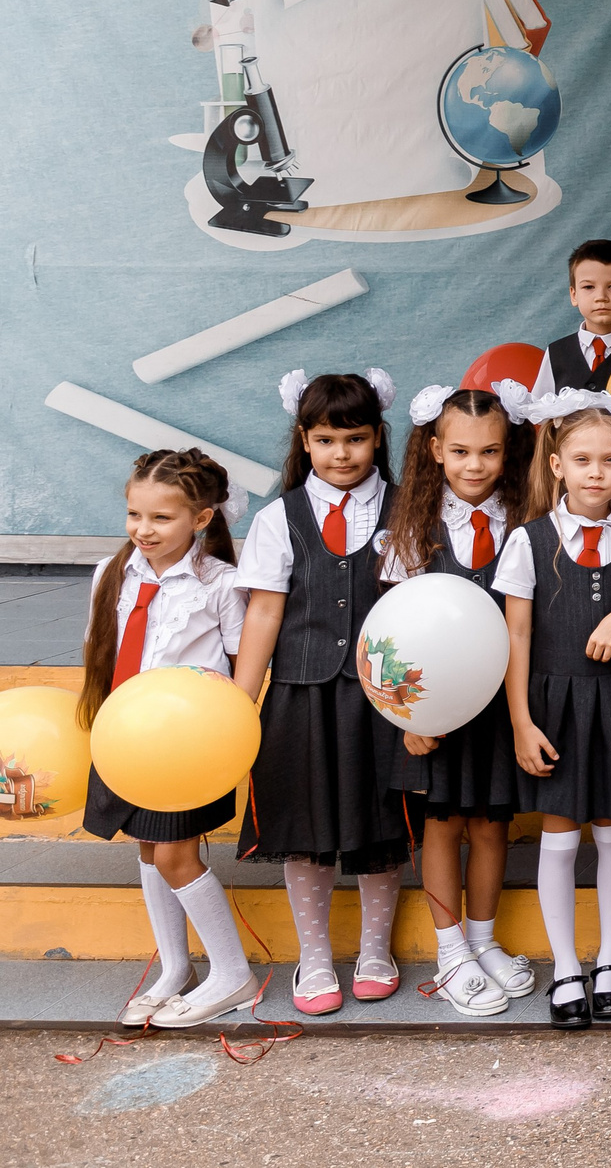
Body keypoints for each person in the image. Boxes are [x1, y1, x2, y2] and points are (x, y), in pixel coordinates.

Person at [231, 368, 412, 1016]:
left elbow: (417, 609)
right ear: (304, 440)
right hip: (301, 696)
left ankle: (374, 948)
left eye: (357, 439)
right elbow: (262, 614)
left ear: (378, 437)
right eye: (327, 439)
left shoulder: (403, 508)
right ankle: (313, 955)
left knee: (376, 825)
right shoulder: (279, 517)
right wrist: (237, 703)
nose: (342, 453)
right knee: (307, 827)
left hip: (381, 699)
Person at [78, 449, 255, 1031]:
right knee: (150, 851)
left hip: (186, 743)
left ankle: (232, 975)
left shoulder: (220, 583)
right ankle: (175, 969)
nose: (142, 530)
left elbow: (239, 663)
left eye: (160, 519)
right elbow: (99, 652)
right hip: (128, 737)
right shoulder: (113, 574)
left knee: (178, 854)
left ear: (201, 519)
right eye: (134, 515)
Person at [378, 383, 537, 1019]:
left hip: (499, 698)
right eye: (463, 451)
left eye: (491, 452)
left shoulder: (524, 521)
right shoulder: (412, 526)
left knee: (492, 822)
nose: (476, 466)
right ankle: (450, 952)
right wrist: (405, 715)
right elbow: (388, 629)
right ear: (436, 450)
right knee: (442, 821)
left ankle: (482, 939)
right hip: (433, 706)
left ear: (509, 453)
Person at [498, 388, 611, 1030]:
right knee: (561, 837)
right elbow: (516, 636)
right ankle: (566, 966)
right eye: (583, 459)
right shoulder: (528, 540)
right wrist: (520, 721)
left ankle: (610, 960)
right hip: (554, 703)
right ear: (557, 464)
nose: (597, 472)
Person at [530, 240, 611, 396]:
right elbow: (539, 413)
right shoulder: (556, 353)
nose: (601, 297)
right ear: (574, 295)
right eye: (589, 287)